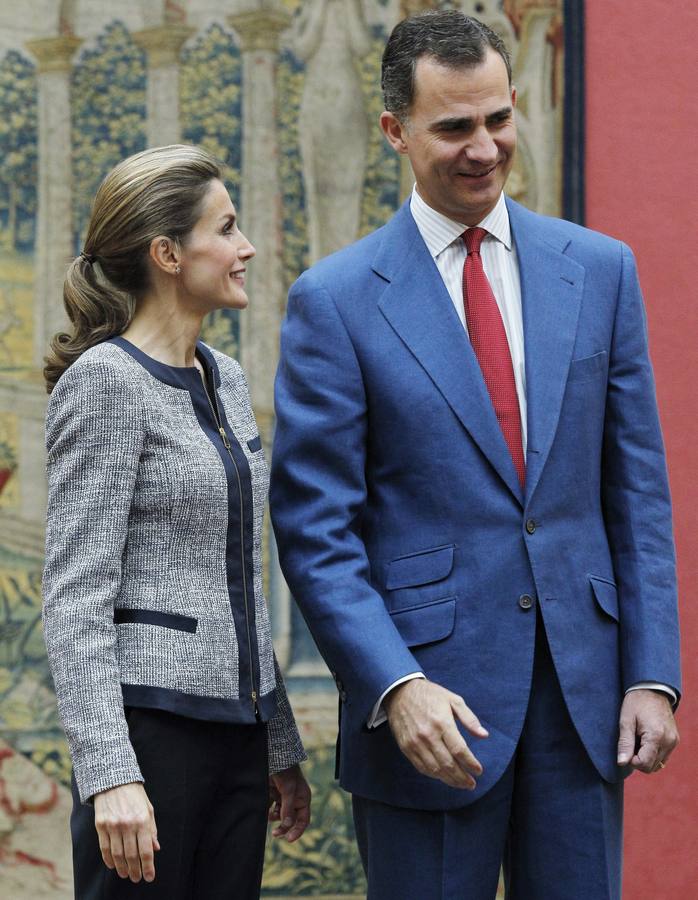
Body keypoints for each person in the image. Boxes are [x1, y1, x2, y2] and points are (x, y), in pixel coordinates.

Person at [269, 11, 680, 900]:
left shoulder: (600, 269)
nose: (484, 148)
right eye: (454, 127)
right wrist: (395, 686)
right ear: (395, 132)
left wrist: (653, 674)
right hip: (428, 716)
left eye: (498, 118)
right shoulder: (334, 302)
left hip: (585, 705)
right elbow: (314, 529)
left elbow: (637, 490)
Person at [42, 144, 311, 899]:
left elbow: (240, 574)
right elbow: (74, 597)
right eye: (225, 229)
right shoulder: (105, 383)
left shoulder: (224, 377)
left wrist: (277, 744)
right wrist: (111, 775)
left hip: (237, 736)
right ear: (166, 253)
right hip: (151, 734)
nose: (245, 247)